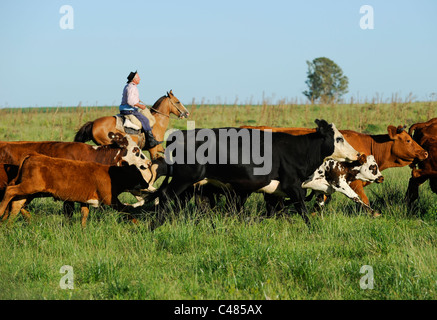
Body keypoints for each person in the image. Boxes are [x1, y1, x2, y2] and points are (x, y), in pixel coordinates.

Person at [119, 71, 162, 149]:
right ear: (134, 79)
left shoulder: (128, 86)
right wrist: (140, 105)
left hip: (124, 109)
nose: (140, 79)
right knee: (145, 120)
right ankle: (151, 141)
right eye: (138, 77)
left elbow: (131, 98)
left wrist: (137, 100)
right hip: (129, 110)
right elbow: (130, 101)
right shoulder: (133, 87)